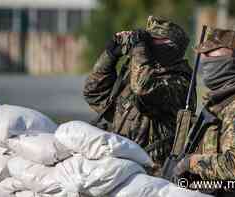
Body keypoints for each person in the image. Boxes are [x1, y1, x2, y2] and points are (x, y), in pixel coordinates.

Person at [83, 16, 196, 172]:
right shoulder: (138, 73)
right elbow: (94, 94)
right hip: (121, 164)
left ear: (172, 46)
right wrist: (110, 56)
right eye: (146, 40)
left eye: (153, 40)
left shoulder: (181, 82)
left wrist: (139, 48)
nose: (148, 45)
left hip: (153, 171)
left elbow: (143, 89)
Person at [173, 27, 235, 197]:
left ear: (232, 59)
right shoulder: (218, 104)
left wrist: (190, 163)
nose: (203, 59)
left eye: (210, 53)